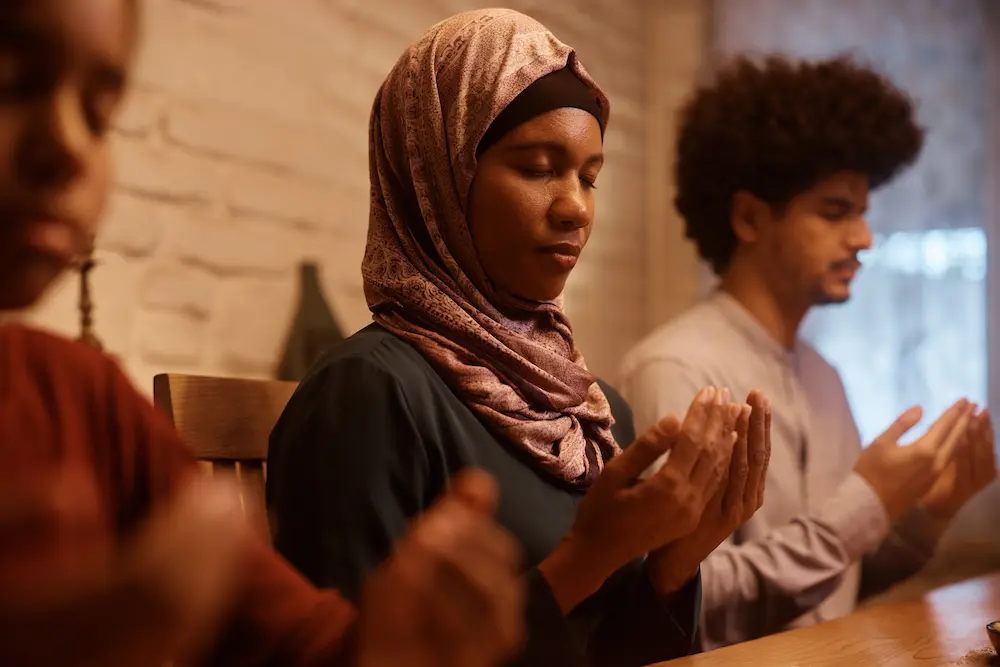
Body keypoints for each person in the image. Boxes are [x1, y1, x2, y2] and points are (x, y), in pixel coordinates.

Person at [0, 1, 527, 666]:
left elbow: (304, 641)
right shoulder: (371, 382)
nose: (70, 145)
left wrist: (391, 638)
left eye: (100, 113)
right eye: (10, 82)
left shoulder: (76, 396)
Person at [266, 9, 772, 667]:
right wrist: (587, 558)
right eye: (538, 167)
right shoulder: (371, 393)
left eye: (589, 176)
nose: (576, 207)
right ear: (439, 174)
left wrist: (672, 565)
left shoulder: (594, 415)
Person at [619, 54, 998, 651]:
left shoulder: (825, 377)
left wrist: (928, 513)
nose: (864, 238)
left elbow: (834, 584)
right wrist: (864, 504)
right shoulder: (677, 369)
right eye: (835, 212)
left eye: (863, 213)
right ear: (748, 217)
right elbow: (673, 602)